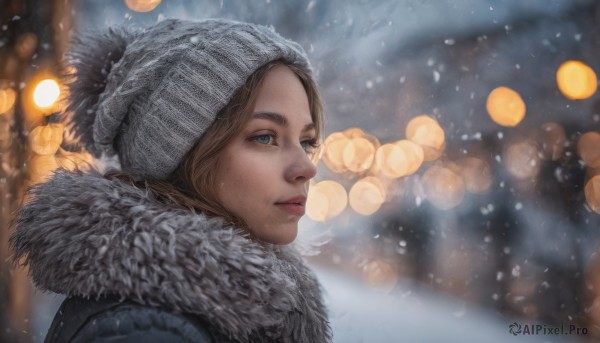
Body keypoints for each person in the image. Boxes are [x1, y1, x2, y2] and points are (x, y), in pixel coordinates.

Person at [10, 18, 332, 342]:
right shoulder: (149, 330)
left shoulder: (186, 310)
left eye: (306, 142)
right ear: (183, 155)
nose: (305, 167)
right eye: (265, 137)